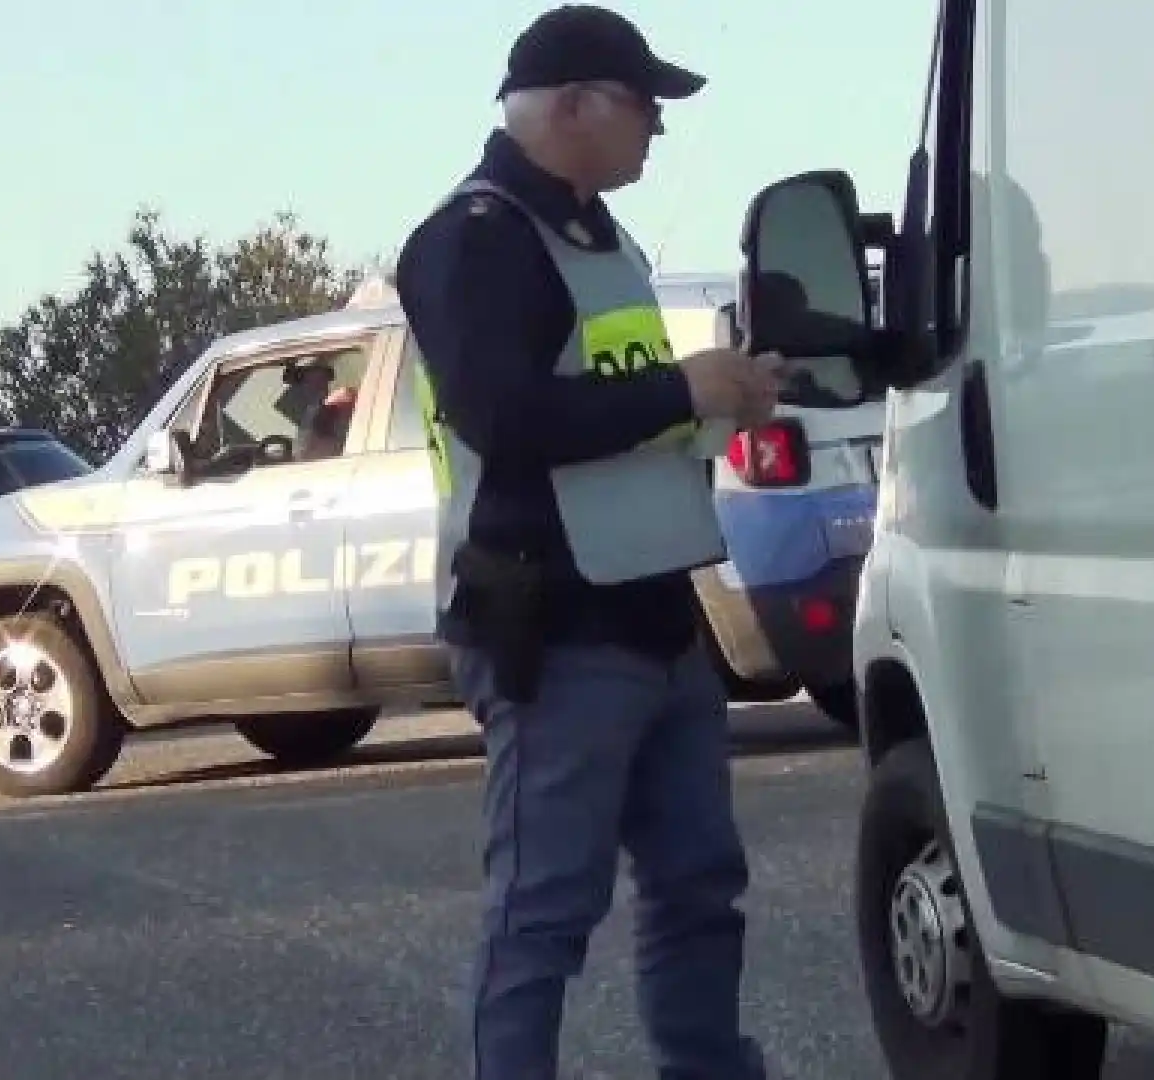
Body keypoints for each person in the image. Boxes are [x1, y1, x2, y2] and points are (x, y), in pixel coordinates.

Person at [391, 7, 782, 1079]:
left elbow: (616, 415)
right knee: (544, 914)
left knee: (701, 886)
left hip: (656, 616)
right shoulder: (471, 241)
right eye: (644, 107)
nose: (657, 128)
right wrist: (680, 387)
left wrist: (720, 403)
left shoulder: (600, 240)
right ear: (569, 106)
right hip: (554, 624)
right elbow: (503, 419)